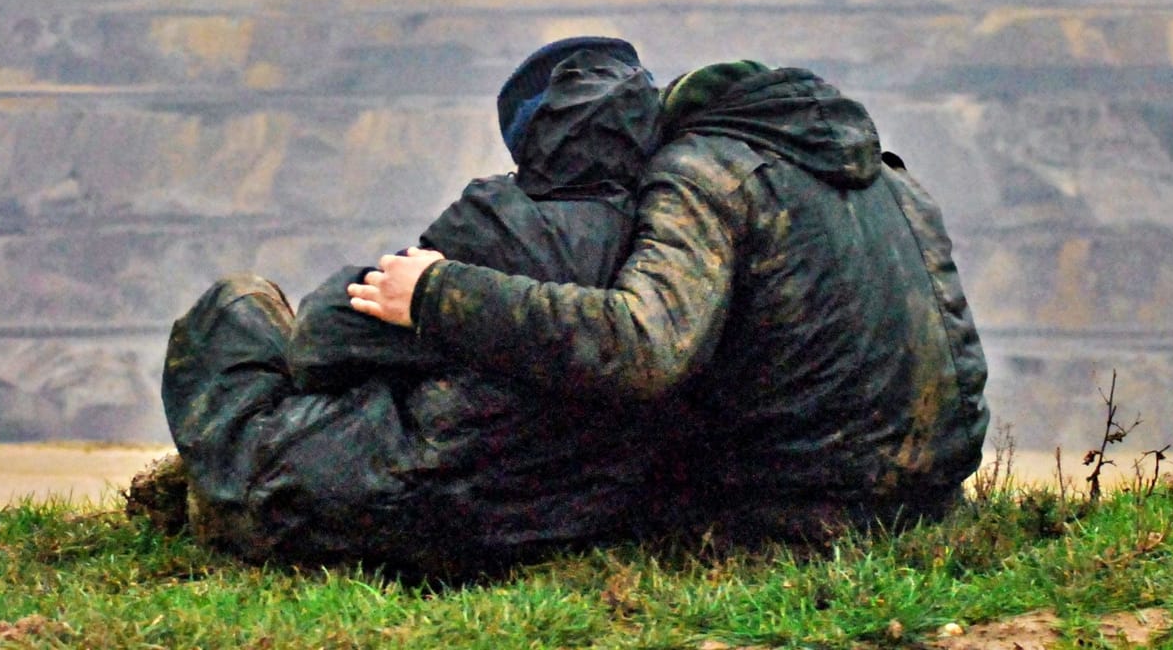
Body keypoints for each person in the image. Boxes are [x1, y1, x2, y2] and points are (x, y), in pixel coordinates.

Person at [351, 59, 989, 541]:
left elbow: (644, 347)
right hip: (931, 500)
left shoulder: (702, 173)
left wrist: (438, 292)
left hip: (806, 515)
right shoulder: (893, 180)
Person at [160, 38, 665, 573]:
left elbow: (321, 340)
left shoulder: (495, 222)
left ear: (533, 138)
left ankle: (226, 510)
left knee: (236, 306)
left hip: (407, 506)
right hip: (554, 523)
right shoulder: (668, 243)